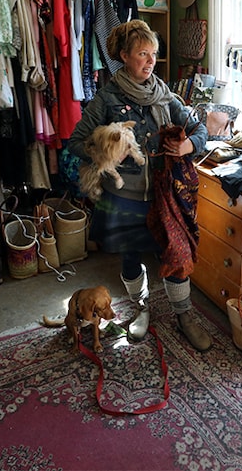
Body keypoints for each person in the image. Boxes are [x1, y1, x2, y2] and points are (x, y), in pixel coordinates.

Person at [67, 19, 212, 352]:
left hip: (165, 195)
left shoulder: (165, 94)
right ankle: (141, 309)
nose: (150, 62)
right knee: (132, 258)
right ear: (124, 56)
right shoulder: (106, 98)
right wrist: (105, 155)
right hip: (124, 199)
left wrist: (190, 145)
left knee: (176, 254)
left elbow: (199, 129)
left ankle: (184, 315)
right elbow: (76, 141)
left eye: (154, 55)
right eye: (143, 54)